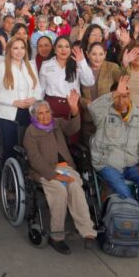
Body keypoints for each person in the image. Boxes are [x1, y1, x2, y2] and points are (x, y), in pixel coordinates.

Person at [88, 76, 139, 249]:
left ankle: (135, 221)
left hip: (132, 164)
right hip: (107, 163)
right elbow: (92, 108)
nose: (121, 100)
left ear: (130, 96)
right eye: (117, 96)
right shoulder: (104, 113)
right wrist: (114, 94)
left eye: (125, 96)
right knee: (124, 191)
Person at [23, 95, 97, 255]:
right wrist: (54, 175)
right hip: (44, 171)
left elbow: (73, 128)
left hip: (65, 167)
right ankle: (56, 236)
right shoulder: (31, 132)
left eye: (47, 112)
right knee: (59, 190)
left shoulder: (56, 123)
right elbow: (35, 160)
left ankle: (87, 231)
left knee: (75, 186)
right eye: (40, 113)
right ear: (34, 116)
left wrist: (74, 110)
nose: (45, 116)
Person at [0, 37, 42, 167]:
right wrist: (13, 102)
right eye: (15, 48)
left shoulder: (30, 66)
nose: (19, 51)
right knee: (10, 150)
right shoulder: (1, 68)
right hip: (7, 115)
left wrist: (34, 98)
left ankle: (25, 176)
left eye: (22, 48)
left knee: (28, 148)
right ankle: (9, 177)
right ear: (9, 50)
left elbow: (38, 90)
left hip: (28, 113)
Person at [39, 36, 94, 119]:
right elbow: (41, 90)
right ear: (54, 49)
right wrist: (39, 107)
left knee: (73, 127)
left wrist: (82, 62)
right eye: (60, 46)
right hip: (51, 107)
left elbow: (89, 82)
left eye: (67, 46)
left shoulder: (77, 64)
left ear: (71, 49)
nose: (63, 49)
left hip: (73, 106)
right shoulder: (46, 65)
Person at [80, 42, 122, 144]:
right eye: (94, 54)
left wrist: (125, 65)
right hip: (88, 119)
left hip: (107, 118)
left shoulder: (112, 67)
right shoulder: (81, 69)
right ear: (87, 54)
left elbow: (123, 80)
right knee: (89, 149)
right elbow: (77, 94)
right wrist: (85, 102)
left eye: (101, 54)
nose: (97, 58)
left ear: (105, 54)